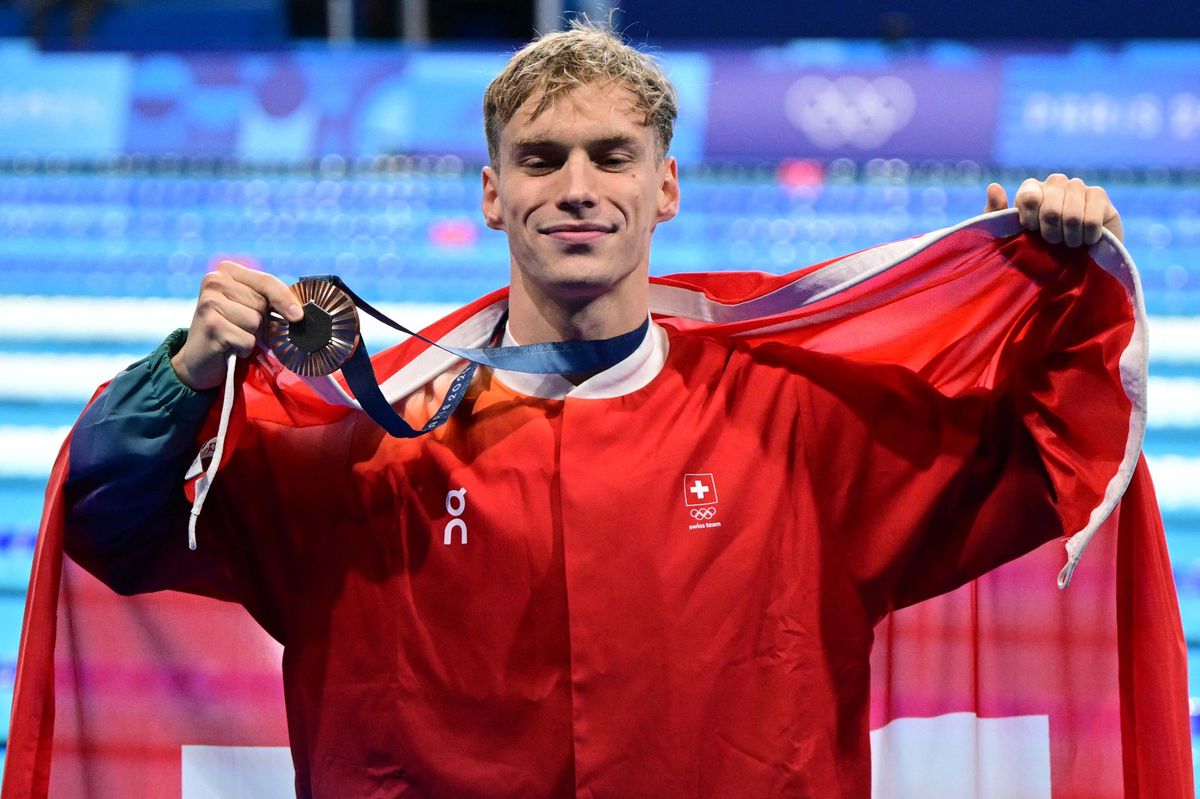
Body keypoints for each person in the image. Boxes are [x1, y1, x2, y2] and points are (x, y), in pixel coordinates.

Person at [9, 20, 1190, 799]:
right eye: (541, 159)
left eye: (613, 157)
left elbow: (1050, 464)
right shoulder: (370, 444)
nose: (578, 188)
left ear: (666, 185)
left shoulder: (800, 427)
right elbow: (114, 518)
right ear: (489, 191)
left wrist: (1062, 280)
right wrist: (185, 370)